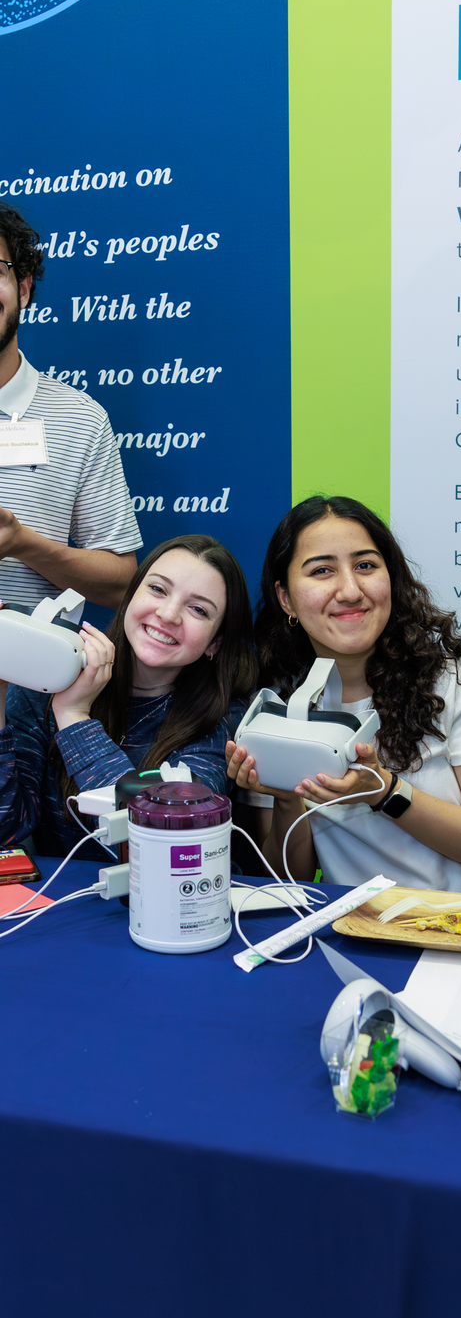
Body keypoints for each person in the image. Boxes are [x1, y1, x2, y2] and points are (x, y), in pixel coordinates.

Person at [228, 496, 461, 895]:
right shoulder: (275, 706)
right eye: (322, 571)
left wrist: (384, 791)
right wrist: (285, 800)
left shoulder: (448, 679)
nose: (350, 590)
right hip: (357, 930)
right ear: (286, 599)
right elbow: (287, 880)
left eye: (365, 566)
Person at [0, 534, 257, 861]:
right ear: (130, 596)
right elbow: (6, 829)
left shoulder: (222, 717)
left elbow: (163, 846)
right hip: (57, 902)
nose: (168, 614)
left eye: (198, 609)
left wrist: (75, 716)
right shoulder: (47, 682)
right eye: (158, 589)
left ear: (214, 643)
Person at [0, 204, 141, 611]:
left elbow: (120, 585)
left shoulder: (81, 420)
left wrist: (22, 543)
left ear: (23, 288)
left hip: (26, 675)